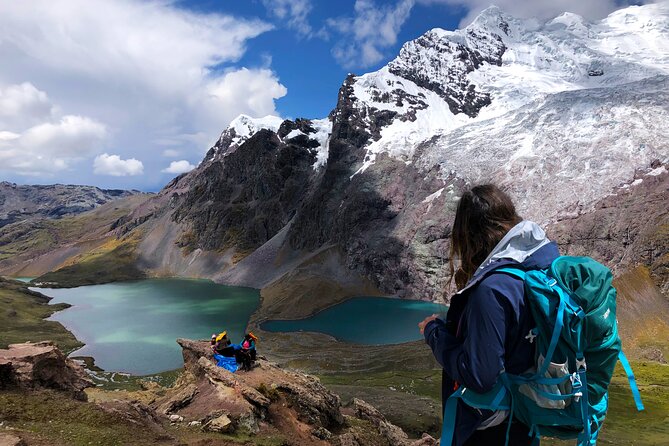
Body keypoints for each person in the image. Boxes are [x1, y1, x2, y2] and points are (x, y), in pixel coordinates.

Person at [419, 184, 559, 446]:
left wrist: (434, 333)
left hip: (491, 430)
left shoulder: (492, 290)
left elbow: (480, 375)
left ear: (469, 235)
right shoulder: (536, 268)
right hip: (524, 421)